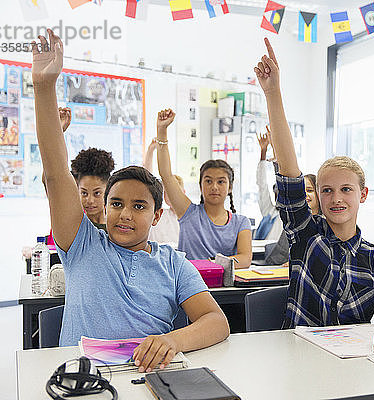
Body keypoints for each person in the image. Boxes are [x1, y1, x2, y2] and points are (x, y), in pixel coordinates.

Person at [31, 29, 229, 372]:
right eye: (117, 203)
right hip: (84, 380)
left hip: (150, 376)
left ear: (156, 216)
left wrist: (173, 340)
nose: (125, 213)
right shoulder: (81, 244)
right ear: (104, 206)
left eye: (139, 206)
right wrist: (44, 88)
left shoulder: (173, 264)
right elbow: (56, 173)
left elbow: (216, 321)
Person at [254, 37, 374, 350]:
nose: (336, 198)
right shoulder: (306, 235)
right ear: (317, 196)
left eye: (346, 190)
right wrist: (273, 93)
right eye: (327, 190)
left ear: (362, 194)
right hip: (298, 357)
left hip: (350, 358)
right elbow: (291, 174)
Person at [155, 108, 252, 268]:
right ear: (201, 185)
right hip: (190, 285)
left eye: (221, 182)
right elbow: (166, 174)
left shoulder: (241, 222)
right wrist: (162, 130)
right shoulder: (188, 212)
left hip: (226, 287)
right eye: (208, 181)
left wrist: (209, 264)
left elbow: (245, 259)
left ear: (230, 187)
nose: (214, 186)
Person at [143, 138, 181, 248]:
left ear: (183, 192)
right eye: (166, 192)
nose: (171, 195)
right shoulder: (160, 214)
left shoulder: (189, 218)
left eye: (175, 191)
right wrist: (151, 150)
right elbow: (147, 181)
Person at [254, 131, 283, 241]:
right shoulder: (269, 212)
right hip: (261, 255)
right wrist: (263, 152)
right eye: (276, 192)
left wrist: (276, 149)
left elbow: (284, 175)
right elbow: (262, 184)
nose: (278, 195)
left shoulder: (290, 217)